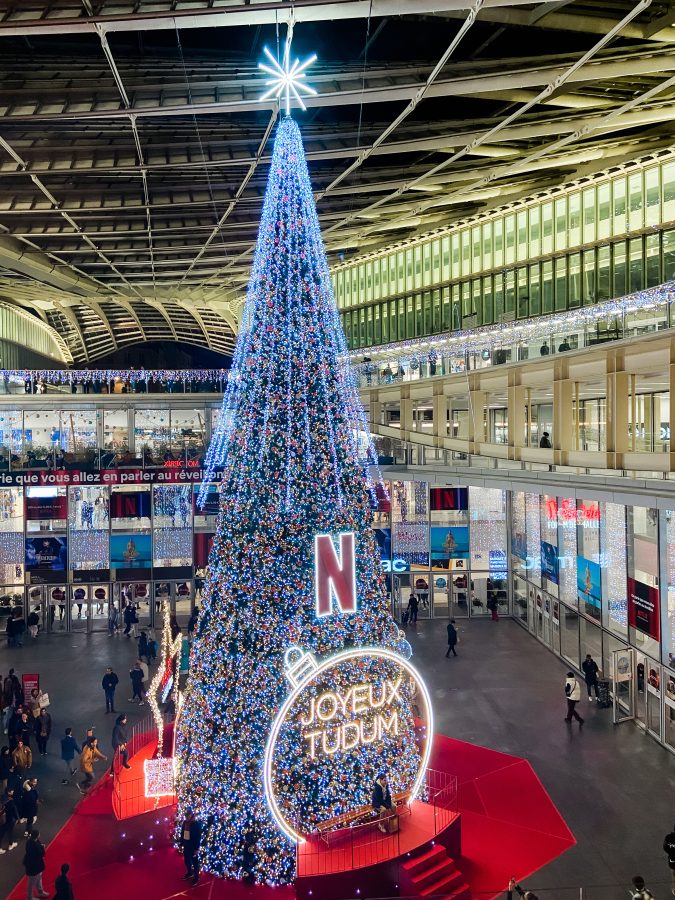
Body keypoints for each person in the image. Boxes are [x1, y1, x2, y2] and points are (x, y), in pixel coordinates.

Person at [180, 808, 202, 886]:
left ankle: (196, 877)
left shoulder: (196, 824)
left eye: (188, 815)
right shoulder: (185, 822)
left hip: (193, 846)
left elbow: (198, 837)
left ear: (191, 815)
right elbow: (182, 833)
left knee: (195, 862)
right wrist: (181, 843)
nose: (186, 817)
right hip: (186, 845)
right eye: (185, 816)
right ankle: (189, 872)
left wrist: (196, 848)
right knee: (186, 860)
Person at [23, 828, 47, 899]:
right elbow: (41, 854)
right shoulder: (35, 845)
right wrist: (42, 847)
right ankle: (29, 897)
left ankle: (40, 891)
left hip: (36, 865)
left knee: (39, 878)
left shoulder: (30, 841)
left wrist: (40, 846)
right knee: (31, 883)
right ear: (37, 836)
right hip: (34, 866)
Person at [0, 787, 19, 853]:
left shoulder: (2, 797)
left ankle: (10, 844)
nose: (13, 792)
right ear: (8, 792)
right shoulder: (10, 801)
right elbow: (14, 811)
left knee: (4, 832)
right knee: (6, 832)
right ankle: (10, 845)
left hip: (3, 819)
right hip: (8, 819)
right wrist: (18, 819)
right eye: (12, 791)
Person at [663, 822, 675, 895]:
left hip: (673, 860)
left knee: (674, 873)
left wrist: (671, 853)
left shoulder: (669, 837)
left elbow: (665, 847)